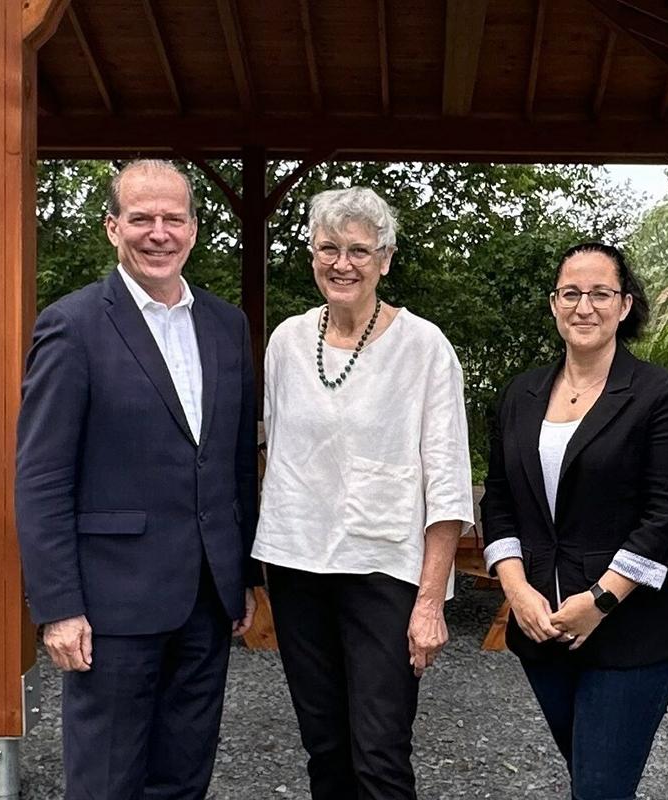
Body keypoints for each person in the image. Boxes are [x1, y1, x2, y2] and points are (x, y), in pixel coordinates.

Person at [15, 159, 260, 798]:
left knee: (183, 777)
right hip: (110, 605)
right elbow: (41, 477)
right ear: (112, 228)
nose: (158, 232)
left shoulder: (226, 325)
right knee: (106, 780)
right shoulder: (73, 325)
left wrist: (243, 579)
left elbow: (234, 464)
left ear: (194, 229)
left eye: (173, 218)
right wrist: (58, 606)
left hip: (207, 599)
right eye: (141, 218)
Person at [252, 186, 474, 800]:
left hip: (385, 570)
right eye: (328, 248)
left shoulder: (424, 346)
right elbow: (272, 452)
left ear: (385, 258)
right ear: (312, 255)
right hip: (297, 565)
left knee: (378, 750)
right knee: (323, 746)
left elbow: (449, 479)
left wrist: (431, 602)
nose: (342, 263)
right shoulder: (288, 342)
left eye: (358, 249)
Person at [480, 242, 668, 799]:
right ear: (554, 304)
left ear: (624, 305)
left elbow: (664, 517)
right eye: (571, 293)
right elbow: (499, 501)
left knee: (599, 790)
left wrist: (599, 601)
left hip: (628, 631)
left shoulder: (658, 394)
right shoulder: (520, 394)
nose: (584, 306)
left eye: (600, 293)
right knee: (591, 782)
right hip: (542, 627)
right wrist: (517, 591)